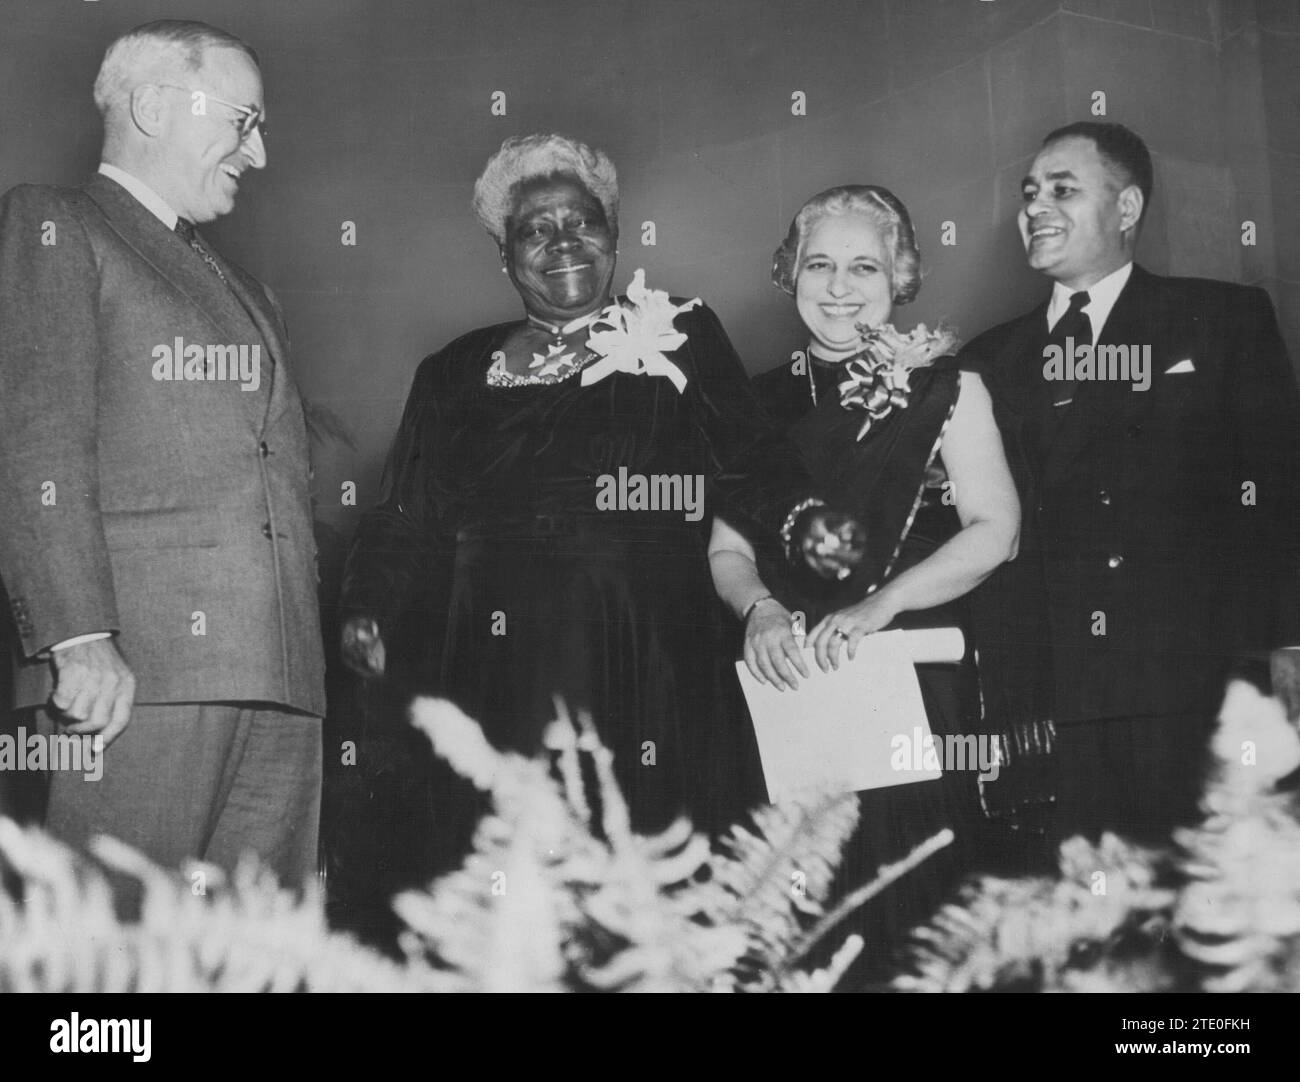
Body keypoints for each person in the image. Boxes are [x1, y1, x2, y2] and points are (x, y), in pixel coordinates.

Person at [338, 134, 862, 893]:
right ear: (505, 257)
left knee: (649, 888)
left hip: (647, 659)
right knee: (520, 894)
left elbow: (756, 465)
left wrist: (811, 525)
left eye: (582, 222)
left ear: (614, 235)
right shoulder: (453, 369)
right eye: (535, 229)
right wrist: (367, 610)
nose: (563, 242)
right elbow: (404, 519)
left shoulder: (682, 331)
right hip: (498, 670)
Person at [0, 20, 325, 887]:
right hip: (135, 675)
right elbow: (36, 443)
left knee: (255, 959)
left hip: (280, 677)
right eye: (243, 121)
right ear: (151, 104)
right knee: (109, 956)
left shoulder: (249, 290)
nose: (257, 155)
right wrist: (78, 636)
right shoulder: (54, 226)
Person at [959, 121, 1300, 848]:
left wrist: (1287, 642)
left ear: (1127, 207)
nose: (1035, 207)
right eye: (1028, 193)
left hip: (1189, 679)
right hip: (1049, 689)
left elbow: (1277, 491)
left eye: (1062, 189)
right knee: (1076, 912)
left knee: (1201, 909)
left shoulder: (1222, 319)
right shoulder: (989, 357)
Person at [708, 185, 1020, 976]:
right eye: (819, 265)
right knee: (795, 914)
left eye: (864, 268)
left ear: (900, 280)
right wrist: (762, 612)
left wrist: (883, 603)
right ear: (789, 274)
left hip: (905, 676)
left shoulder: (948, 388)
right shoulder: (748, 404)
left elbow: (997, 532)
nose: (839, 288)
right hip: (787, 685)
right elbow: (727, 552)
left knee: (911, 908)